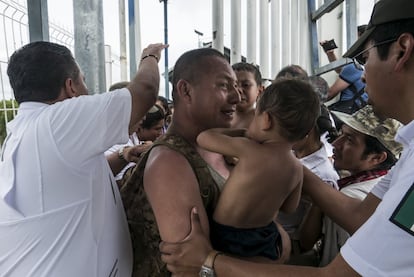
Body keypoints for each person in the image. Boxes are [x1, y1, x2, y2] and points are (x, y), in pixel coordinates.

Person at [159, 0, 414, 275]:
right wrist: (280, 161)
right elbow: (361, 217)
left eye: (365, 58)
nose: (362, 77)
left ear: (402, 50)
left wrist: (208, 260)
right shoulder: (408, 157)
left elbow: (339, 275)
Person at [0, 41, 166, 276]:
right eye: (83, 80)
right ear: (71, 87)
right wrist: (150, 56)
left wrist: (123, 155)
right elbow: (146, 90)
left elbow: (73, 179)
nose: (87, 89)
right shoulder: (57, 122)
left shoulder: (23, 130)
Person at [119, 48, 241, 276]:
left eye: (236, 86)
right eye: (224, 86)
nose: (237, 97)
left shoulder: (221, 149)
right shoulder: (169, 162)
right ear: (186, 90)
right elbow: (191, 270)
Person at [202, 79, 320, 262]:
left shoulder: (249, 149)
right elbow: (289, 208)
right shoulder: (297, 168)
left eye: (255, 116)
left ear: (266, 120)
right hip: (264, 239)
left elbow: (204, 138)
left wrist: (241, 133)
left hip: (224, 237)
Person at [300, 105, 402, 266]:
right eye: (341, 134)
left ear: (377, 158)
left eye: (349, 140)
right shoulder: (379, 184)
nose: (335, 143)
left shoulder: (354, 197)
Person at [279, 104, 339, 266]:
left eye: (289, 126)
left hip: (287, 247)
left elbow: (308, 240)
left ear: (308, 129)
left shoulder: (324, 176)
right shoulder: (291, 153)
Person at [106, 104, 165, 185]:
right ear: (141, 128)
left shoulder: (135, 141)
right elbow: (117, 184)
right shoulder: (118, 141)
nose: (161, 133)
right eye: (157, 129)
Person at [322, 25, 368, 117]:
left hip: (347, 114)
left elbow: (329, 94)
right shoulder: (365, 65)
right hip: (362, 114)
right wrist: (330, 54)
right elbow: (342, 71)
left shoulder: (353, 66)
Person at [230, 62, 264, 129]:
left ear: (260, 91)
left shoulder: (262, 120)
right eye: (234, 85)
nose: (238, 90)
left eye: (246, 85)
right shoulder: (221, 117)